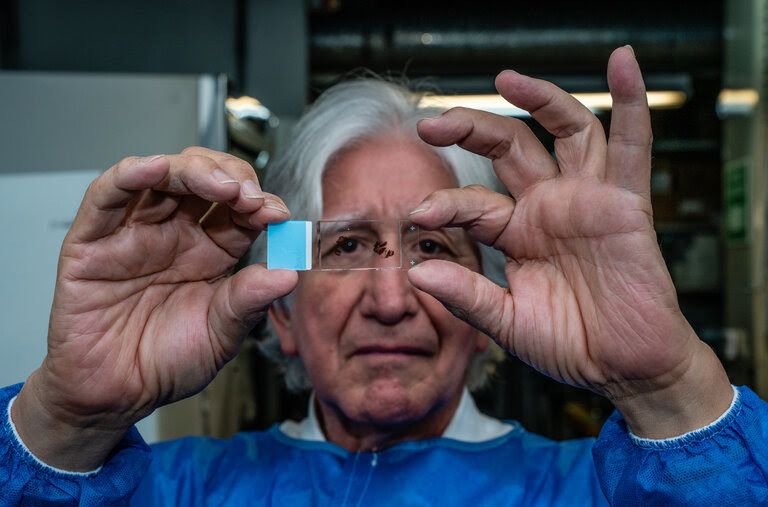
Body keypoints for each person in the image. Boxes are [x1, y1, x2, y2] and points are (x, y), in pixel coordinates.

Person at [1, 46, 766, 505]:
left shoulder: (591, 490)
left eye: (433, 248)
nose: (391, 298)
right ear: (280, 310)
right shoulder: (174, 492)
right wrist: (65, 422)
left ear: (490, 312)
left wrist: (667, 389)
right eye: (345, 247)